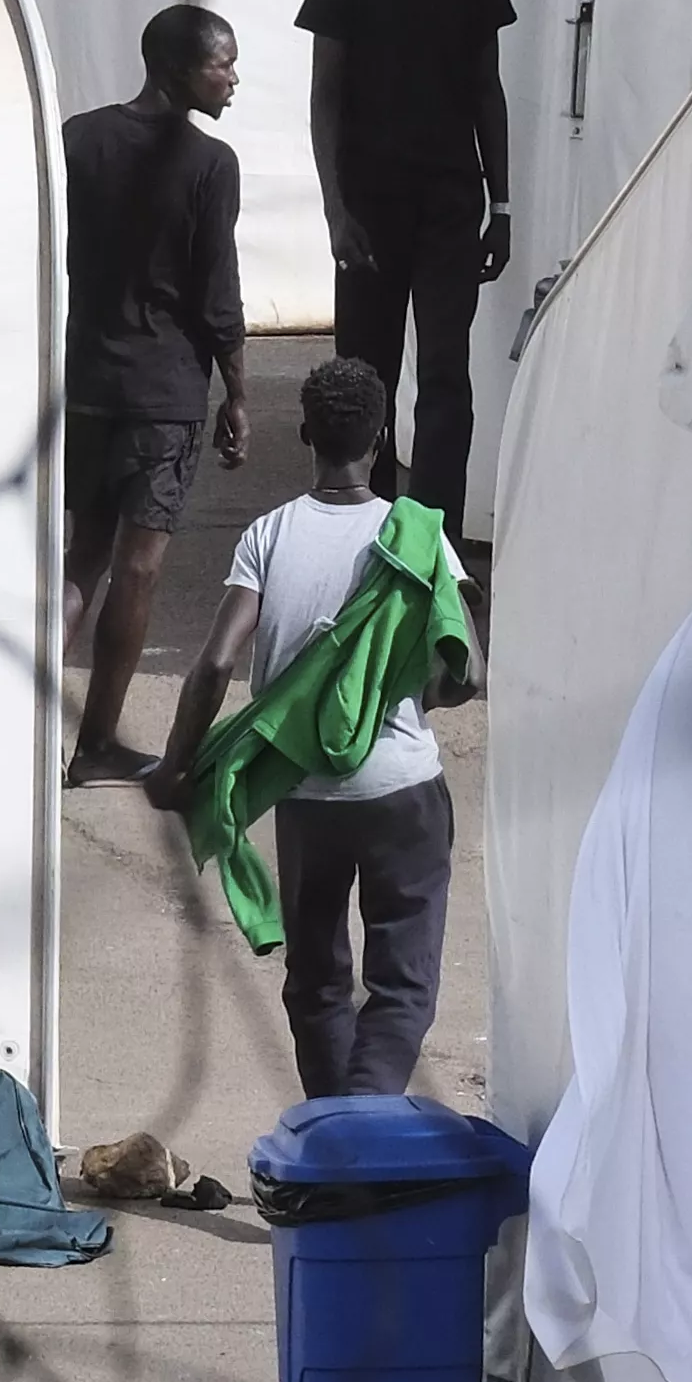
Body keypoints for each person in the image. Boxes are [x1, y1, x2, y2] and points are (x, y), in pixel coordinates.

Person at [144, 356, 476, 1098]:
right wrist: (409, 694)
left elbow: (214, 664)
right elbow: (466, 674)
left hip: (305, 795)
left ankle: (333, 1128)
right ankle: (365, 1119)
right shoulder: (417, 535)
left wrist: (176, 765)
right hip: (402, 793)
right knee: (402, 982)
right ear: (382, 438)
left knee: (318, 980)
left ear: (305, 435)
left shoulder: (268, 535)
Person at [295, 0, 516, 546]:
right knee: (366, 373)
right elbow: (324, 99)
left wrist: (501, 205)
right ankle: (366, 524)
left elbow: (487, 94)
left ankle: (431, 534)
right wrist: (335, 210)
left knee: (446, 371)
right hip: (369, 208)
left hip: (449, 205)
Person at [61, 3, 250, 786]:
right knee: (138, 569)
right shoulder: (210, 163)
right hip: (162, 395)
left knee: (82, 558)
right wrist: (238, 392)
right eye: (221, 64)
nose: (233, 79)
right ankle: (96, 743)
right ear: (176, 70)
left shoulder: (77, 139)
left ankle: (17, 737)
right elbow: (217, 293)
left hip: (85, 383)